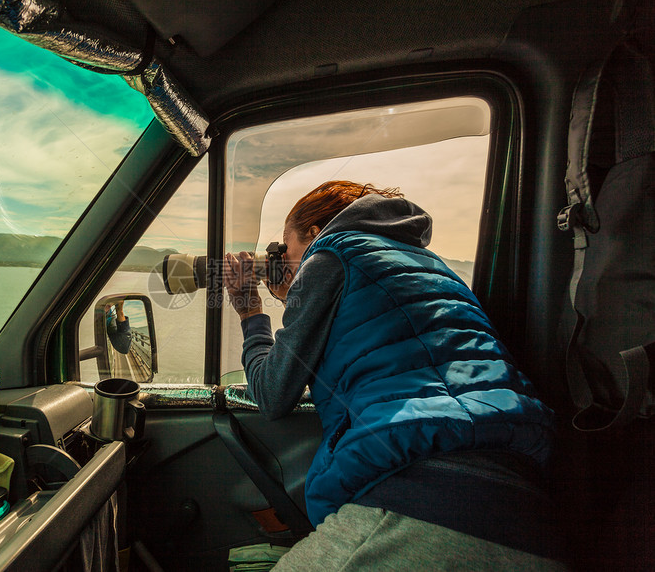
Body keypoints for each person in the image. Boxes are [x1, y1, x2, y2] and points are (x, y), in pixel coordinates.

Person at [224, 181, 564, 570]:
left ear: (315, 233)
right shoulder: (434, 266)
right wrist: (293, 295)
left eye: (284, 246)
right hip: (527, 502)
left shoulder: (330, 256)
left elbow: (271, 393)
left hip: (423, 501)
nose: (281, 257)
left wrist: (251, 312)